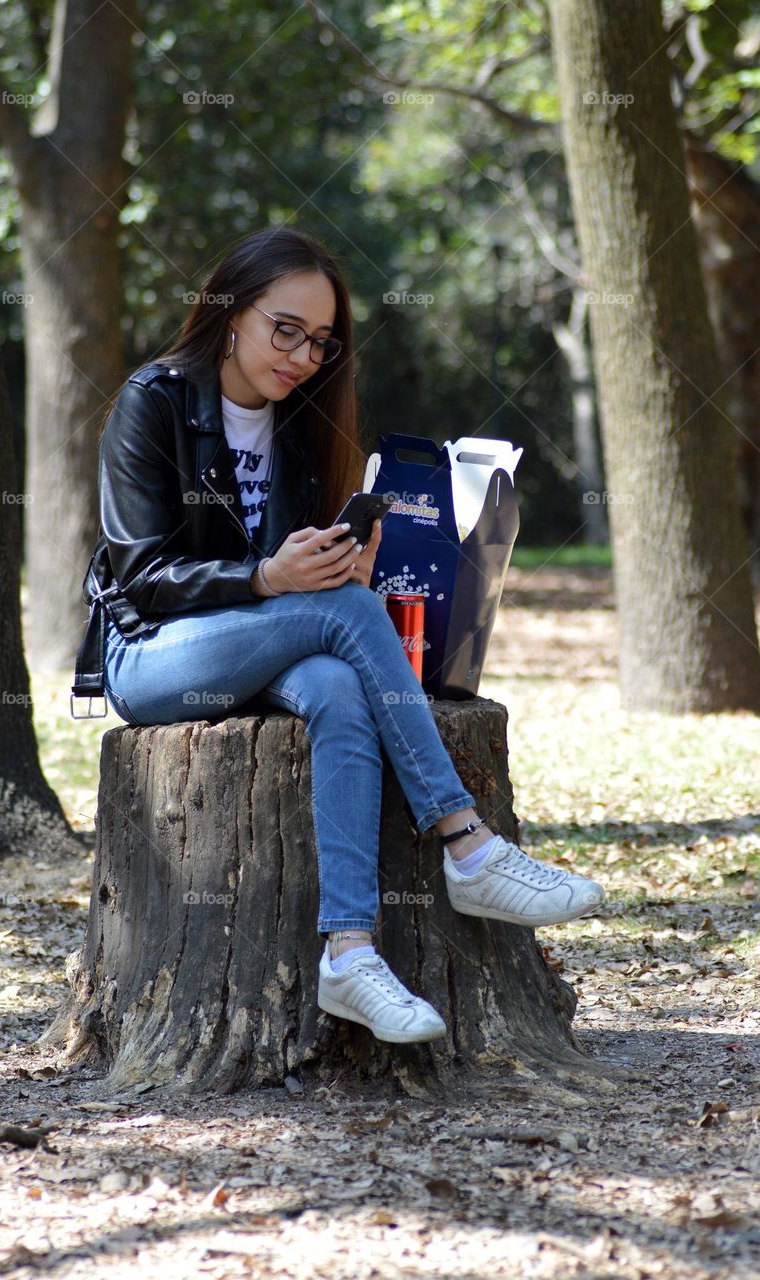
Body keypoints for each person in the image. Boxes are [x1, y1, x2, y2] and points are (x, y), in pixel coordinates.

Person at [79, 226, 605, 1047]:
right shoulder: (153, 402)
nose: (301, 355)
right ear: (229, 311)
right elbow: (140, 575)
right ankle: (465, 843)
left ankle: (349, 952)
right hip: (151, 653)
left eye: (320, 342)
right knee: (342, 621)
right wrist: (267, 579)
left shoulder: (298, 424)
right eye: (283, 328)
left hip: (258, 643)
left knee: (334, 686)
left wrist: (332, 564)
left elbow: (296, 580)